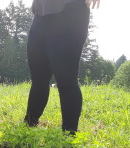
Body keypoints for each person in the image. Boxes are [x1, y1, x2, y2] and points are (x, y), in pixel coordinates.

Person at [24, 0, 100, 134]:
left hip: (70, 12)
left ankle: (69, 135)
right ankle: (29, 126)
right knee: (38, 79)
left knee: (66, 81)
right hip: (40, 15)